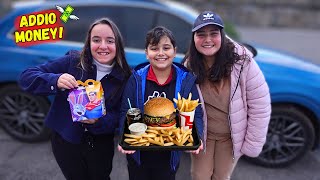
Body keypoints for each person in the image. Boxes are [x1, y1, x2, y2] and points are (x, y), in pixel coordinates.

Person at [18, 17, 131, 180]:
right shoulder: (72, 62)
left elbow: (122, 115)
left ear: (118, 45)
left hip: (100, 144)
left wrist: (99, 120)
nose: (103, 46)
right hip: (65, 140)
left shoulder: (124, 77)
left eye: (110, 40)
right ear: (88, 42)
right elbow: (25, 77)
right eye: (96, 40)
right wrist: (55, 80)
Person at [182, 11, 271, 180]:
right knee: (199, 176)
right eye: (201, 34)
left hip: (231, 137)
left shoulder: (243, 63)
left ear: (222, 36)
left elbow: (260, 106)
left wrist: (252, 143)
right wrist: (188, 136)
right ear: (194, 39)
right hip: (204, 136)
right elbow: (185, 107)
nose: (207, 40)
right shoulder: (189, 66)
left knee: (221, 177)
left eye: (213, 34)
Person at [118, 26, 204, 180]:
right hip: (139, 155)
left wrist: (199, 137)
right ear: (147, 52)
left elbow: (196, 112)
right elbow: (126, 109)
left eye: (166, 48)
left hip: (169, 156)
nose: (161, 53)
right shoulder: (136, 78)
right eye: (154, 48)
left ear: (174, 51)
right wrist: (123, 137)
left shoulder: (185, 80)